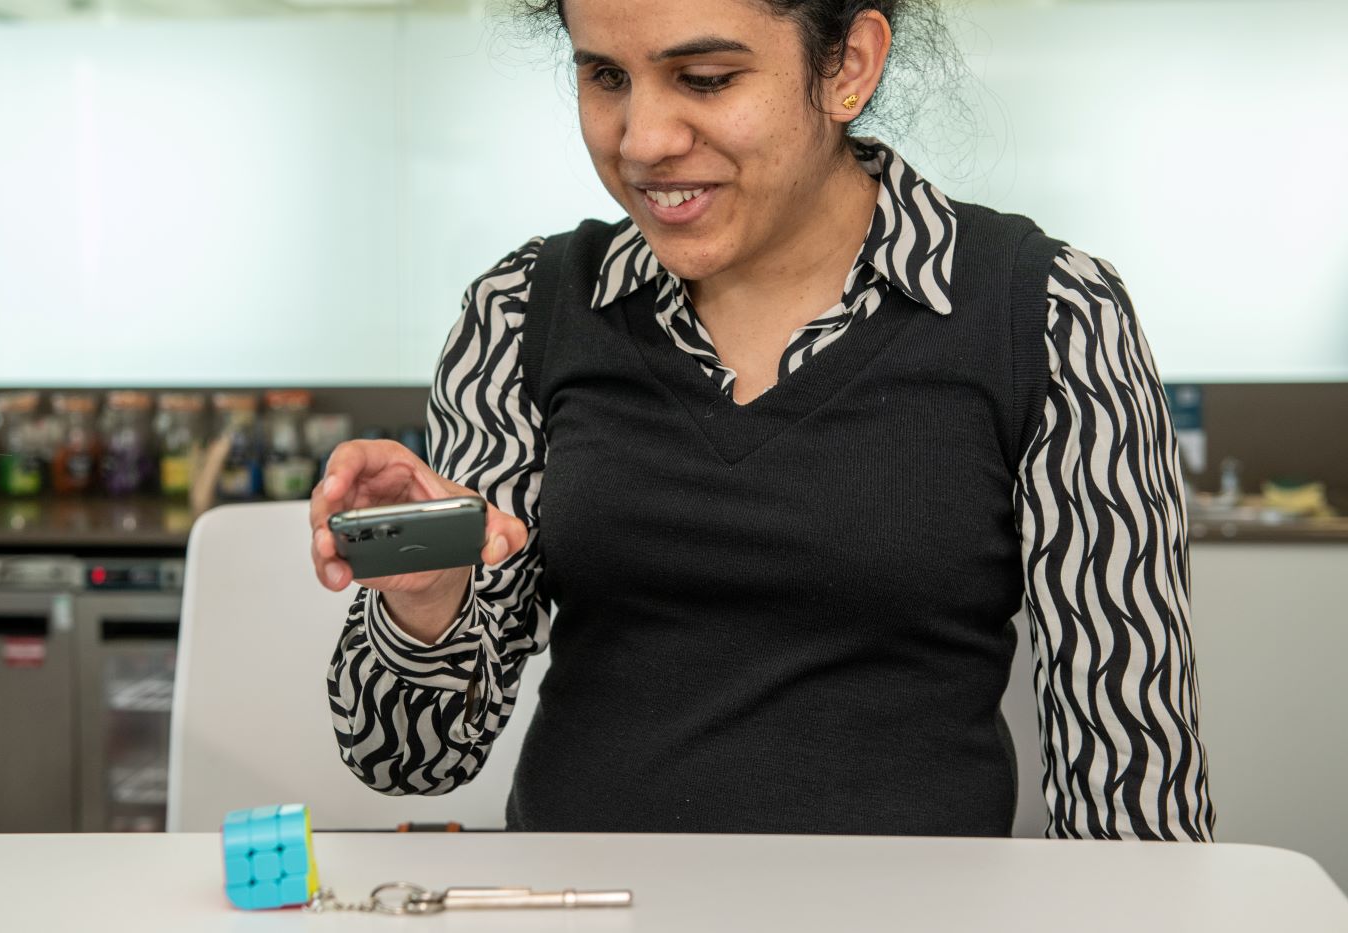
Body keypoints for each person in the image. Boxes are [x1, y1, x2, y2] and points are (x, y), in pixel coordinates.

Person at [310, 0, 1214, 839]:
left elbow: (1135, 792)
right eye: (606, 78)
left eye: (707, 79)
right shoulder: (523, 310)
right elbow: (408, 760)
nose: (644, 141)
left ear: (848, 65)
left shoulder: (1046, 311)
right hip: (588, 907)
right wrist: (426, 603)